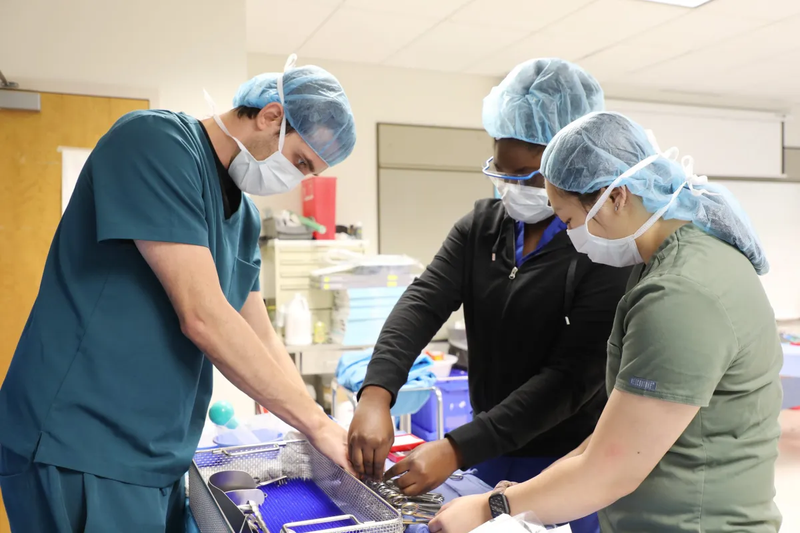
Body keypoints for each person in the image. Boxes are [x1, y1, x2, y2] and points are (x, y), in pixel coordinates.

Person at [0, 56, 356, 532]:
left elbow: (262, 336)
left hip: (159, 453)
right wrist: (316, 424)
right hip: (81, 441)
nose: (295, 179)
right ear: (271, 116)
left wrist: (321, 430)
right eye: (299, 162)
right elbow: (204, 316)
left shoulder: (244, 218)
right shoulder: (156, 143)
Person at [429, 111, 783, 533]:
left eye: (569, 221)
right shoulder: (665, 261)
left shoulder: (681, 293)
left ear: (616, 197)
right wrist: (527, 492)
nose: (571, 236)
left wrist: (492, 508)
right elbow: (615, 436)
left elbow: (611, 469)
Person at [347, 59, 631, 533]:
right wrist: (377, 394)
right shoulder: (482, 227)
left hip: (567, 462)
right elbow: (423, 303)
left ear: (571, 167)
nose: (514, 188)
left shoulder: (601, 248)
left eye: (529, 175)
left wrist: (457, 448)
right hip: (489, 450)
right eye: (503, 171)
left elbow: (568, 381)